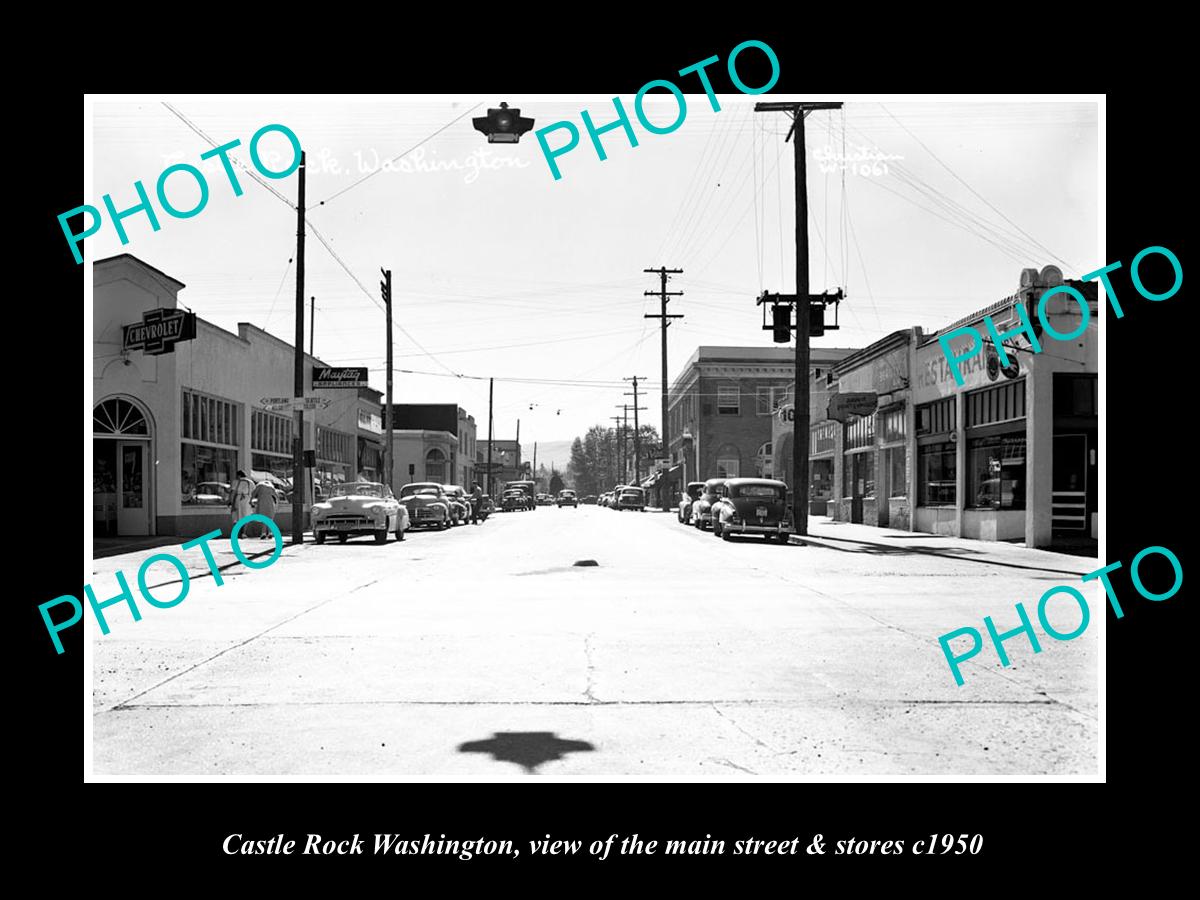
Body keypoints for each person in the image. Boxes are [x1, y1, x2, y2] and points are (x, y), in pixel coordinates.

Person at [230, 469, 254, 533]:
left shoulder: (236, 482)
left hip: (238, 499)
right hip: (247, 500)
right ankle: (244, 532)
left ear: (239, 475)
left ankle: (237, 532)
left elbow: (232, 492)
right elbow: (253, 492)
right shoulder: (250, 482)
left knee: (236, 516)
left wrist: (231, 501)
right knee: (246, 516)